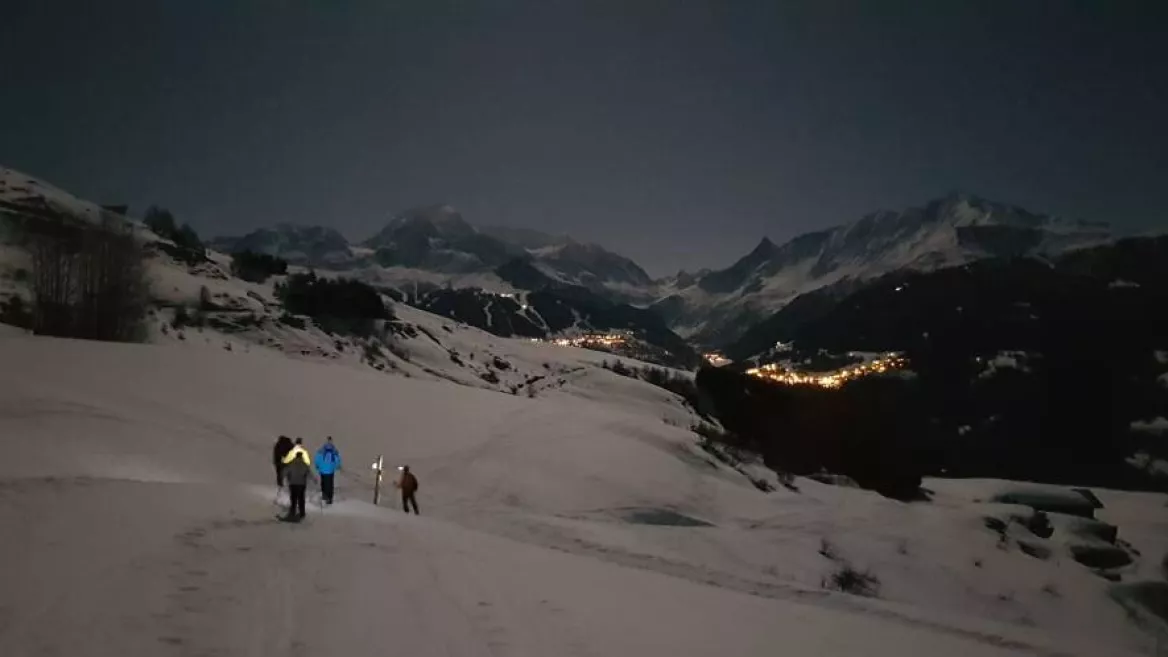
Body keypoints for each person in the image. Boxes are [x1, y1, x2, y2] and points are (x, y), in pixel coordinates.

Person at [281, 438, 313, 522]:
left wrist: (282, 477)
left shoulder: (292, 456)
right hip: (302, 484)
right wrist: (313, 480)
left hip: (293, 483)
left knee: (293, 498)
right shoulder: (304, 454)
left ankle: (292, 512)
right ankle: (302, 513)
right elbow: (308, 468)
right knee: (301, 498)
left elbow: (285, 467)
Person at [314, 437, 342, 504]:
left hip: (322, 470)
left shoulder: (321, 450)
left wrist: (317, 466)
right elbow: (337, 460)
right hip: (330, 471)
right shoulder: (334, 451)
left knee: (323, 483)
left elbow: (317, 458)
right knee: (330, 484)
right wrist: (337, 466)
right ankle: (330, 498)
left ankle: (324, 496)